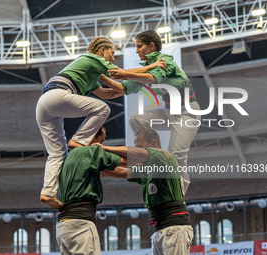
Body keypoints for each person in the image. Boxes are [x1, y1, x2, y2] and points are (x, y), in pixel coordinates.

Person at [36, 36, 166, 209]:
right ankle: (79, 141)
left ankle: (48, 192)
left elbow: (108, 93)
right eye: (111, 53)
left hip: (44, 105)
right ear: (102, 50)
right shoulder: (91, 58)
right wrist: (152, 67)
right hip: (58, 95)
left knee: (57, 154)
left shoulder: (89, 73)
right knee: (102, 109)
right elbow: (119, 73)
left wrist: (133, 88)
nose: (112, 58)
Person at [99, 30, 201, 195]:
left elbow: (153, 78)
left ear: (151, 46)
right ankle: (152, 156)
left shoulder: (165, 61)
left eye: (140, 46)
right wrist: (100, 76)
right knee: (136, 119)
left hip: (187, 113)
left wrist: (124, 73)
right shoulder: (144, 70)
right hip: (170, 113)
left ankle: (178, 195)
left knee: (176, 155)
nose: (137, 50)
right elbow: (120, 88)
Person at [97, 129, 193, 255]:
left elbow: (137, 154)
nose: (136, 150)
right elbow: (119, 172)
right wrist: (92, 166)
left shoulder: (164, 157)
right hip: (160, 228)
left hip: (174, 227)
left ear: (153, 144)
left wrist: (105, 148)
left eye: (140, 147)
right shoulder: (146, 169)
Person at [56, 126, 126, 255]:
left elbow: (118, 172)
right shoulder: (91, 151)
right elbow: (126, 161)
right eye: (101, 141)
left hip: (64, 226)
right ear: (93, 137)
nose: (101, 145)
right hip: (80, 224)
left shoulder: (70, 157)